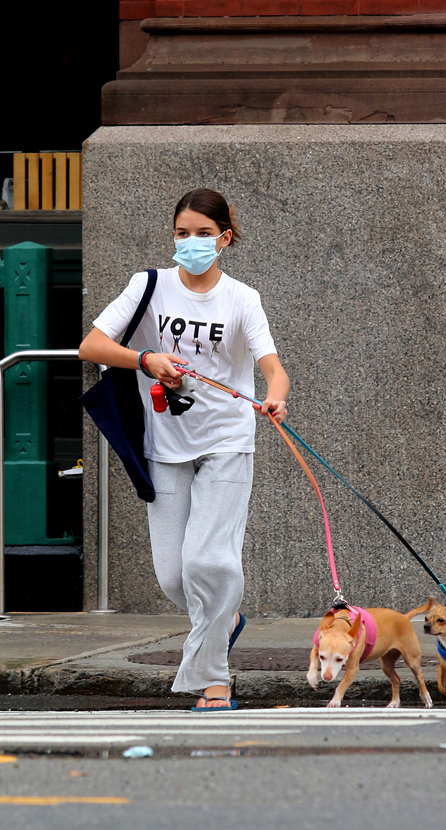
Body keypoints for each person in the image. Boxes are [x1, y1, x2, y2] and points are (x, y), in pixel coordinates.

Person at [79, 188, 289, 710]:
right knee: (174, 574)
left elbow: (272, 368)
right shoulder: (148, 286)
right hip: (165, 444)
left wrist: (275, 400)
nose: (190, 242)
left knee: (211, 563)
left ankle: (214, 684)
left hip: (227, 439)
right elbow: (92, 346)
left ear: (225, 238)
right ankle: (227, 620)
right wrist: (146, 358)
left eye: (202, 233)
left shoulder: (243, 298)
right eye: (181, 233)